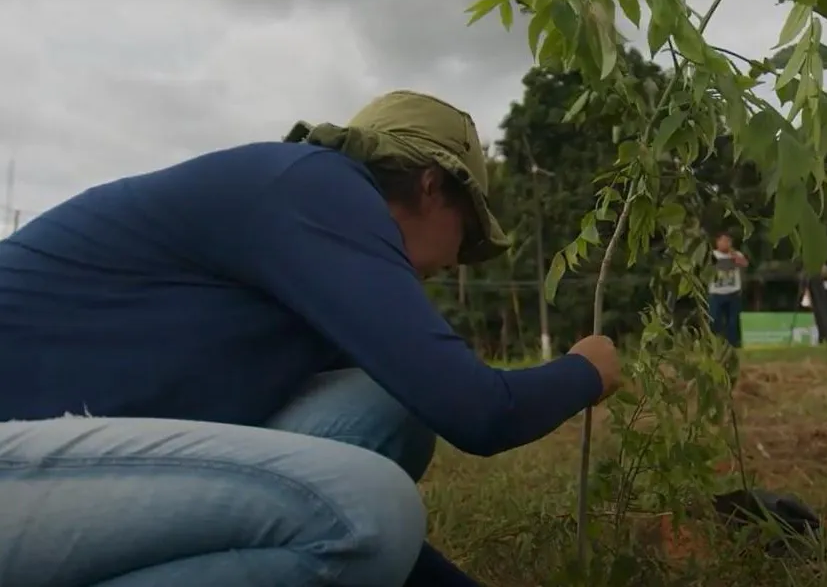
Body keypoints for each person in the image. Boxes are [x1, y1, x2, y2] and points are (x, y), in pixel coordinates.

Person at [0, 90, 624, 587]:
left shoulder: (305, 256)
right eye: (466, 234)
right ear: (434, 185)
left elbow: (371, 538)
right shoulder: (316, 188)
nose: (456, 263)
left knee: (383, 405)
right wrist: (586, 370)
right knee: (370, 510)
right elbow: (480, 413)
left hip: (58, 472)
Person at [708, 232, 748, 347]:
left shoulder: (735, 254)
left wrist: (733, 254)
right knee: (714, 319)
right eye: (723, 241)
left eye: (728, 241)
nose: (726, 243)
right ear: (717, 242)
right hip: (716, 293)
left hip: (733, 292)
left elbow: (744, 264)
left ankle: (734, 343)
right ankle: (715, 342)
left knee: (733, 320)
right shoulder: (712, 255)